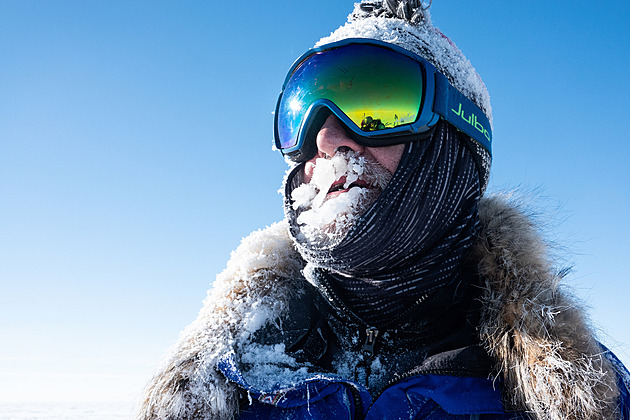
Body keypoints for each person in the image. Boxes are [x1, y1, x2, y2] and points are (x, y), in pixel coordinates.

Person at [136, 1, 630, 419]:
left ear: (454, 146)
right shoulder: (225, 382)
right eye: (302, 117)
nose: (325, 141)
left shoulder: (587, 399)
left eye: (377, 105)